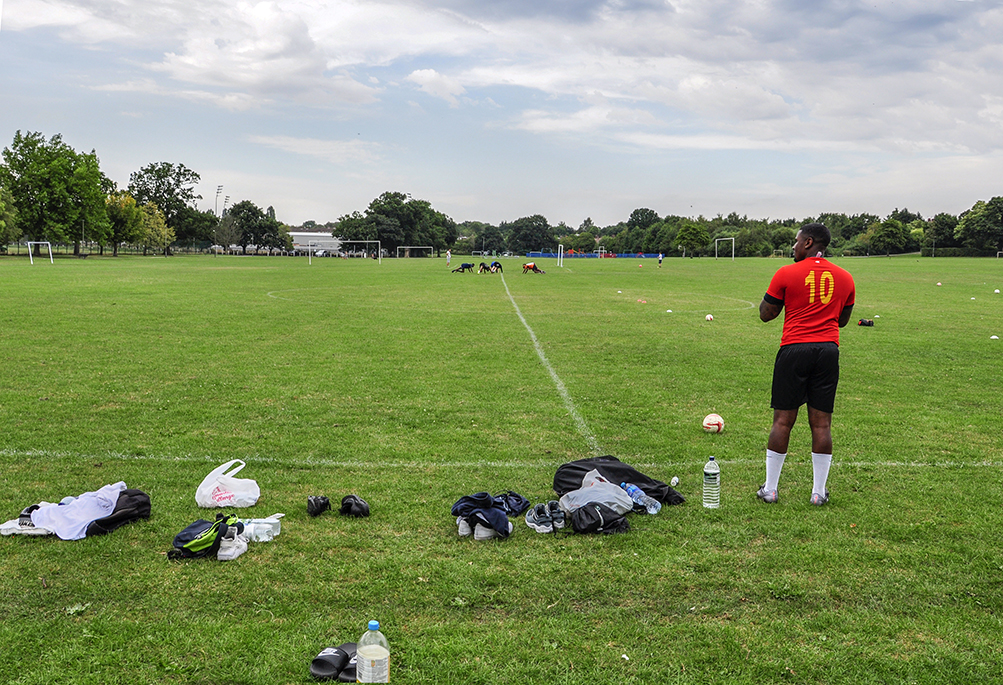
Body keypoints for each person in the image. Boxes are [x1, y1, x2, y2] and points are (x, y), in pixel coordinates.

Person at [757, 223, 855, 507]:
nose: (794, 247)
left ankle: (771, 489)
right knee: (822, 424)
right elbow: (843, 320)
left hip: (794, 348)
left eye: (796, 242)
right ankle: (818, 492)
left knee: (783, 420)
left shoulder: (786, 273)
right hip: (828, 350)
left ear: (809, 242)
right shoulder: (846, 277)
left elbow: (766, 314)